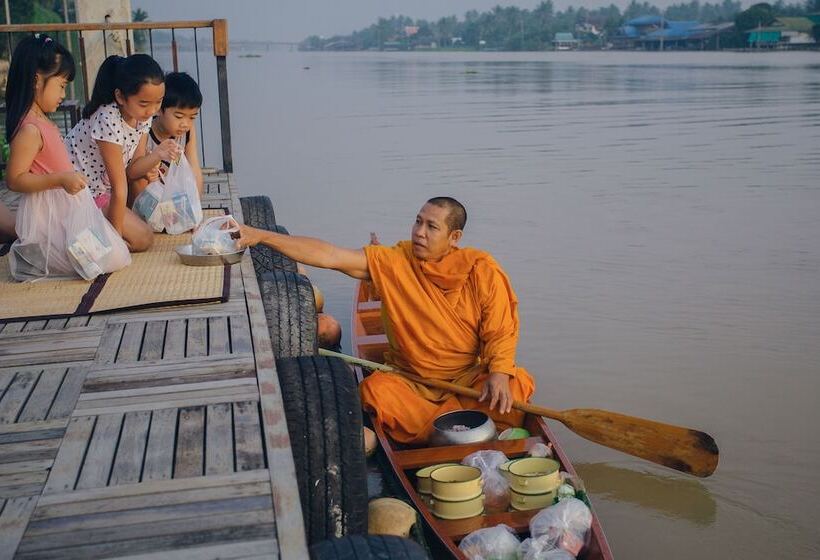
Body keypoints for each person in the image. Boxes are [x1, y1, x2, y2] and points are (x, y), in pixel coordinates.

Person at [238, 196, 535, 444]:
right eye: (418, 221)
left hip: (467, 381)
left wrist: (498, 372)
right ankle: (473, 433)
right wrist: (262, 236)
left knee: (517, 382)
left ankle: (449, 433)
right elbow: (330, 255)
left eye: (431, 227)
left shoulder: (480, 269)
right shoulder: (395, 262)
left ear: (454, 237)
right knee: (375, 391)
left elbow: (501, 329)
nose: (419, 232)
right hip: (413, 383)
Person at [64, 54, 178, 251]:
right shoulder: (108, 118)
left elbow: (133, 170)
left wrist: (157, 155)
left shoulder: (142, 117)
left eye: (158, 102)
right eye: (144, 103)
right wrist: (114, 244)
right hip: (80, 194)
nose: (152, 110)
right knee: (142, 238)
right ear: (120, 97)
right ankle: (92, 244)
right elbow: (120, 187)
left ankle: (94, 241)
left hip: (105, 189)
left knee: (148, 233)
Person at [130, 71, 204, 202]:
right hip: (145, 196)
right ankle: (144, 222)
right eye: (179, 116)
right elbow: (132, 172)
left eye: (192, 117)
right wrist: (153, 159)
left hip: (171, 196)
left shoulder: (188, 131)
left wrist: (194, 203)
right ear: (159, 109)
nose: (185, 124)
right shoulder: (145, 129)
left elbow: (194, 167)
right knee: (141, 179)